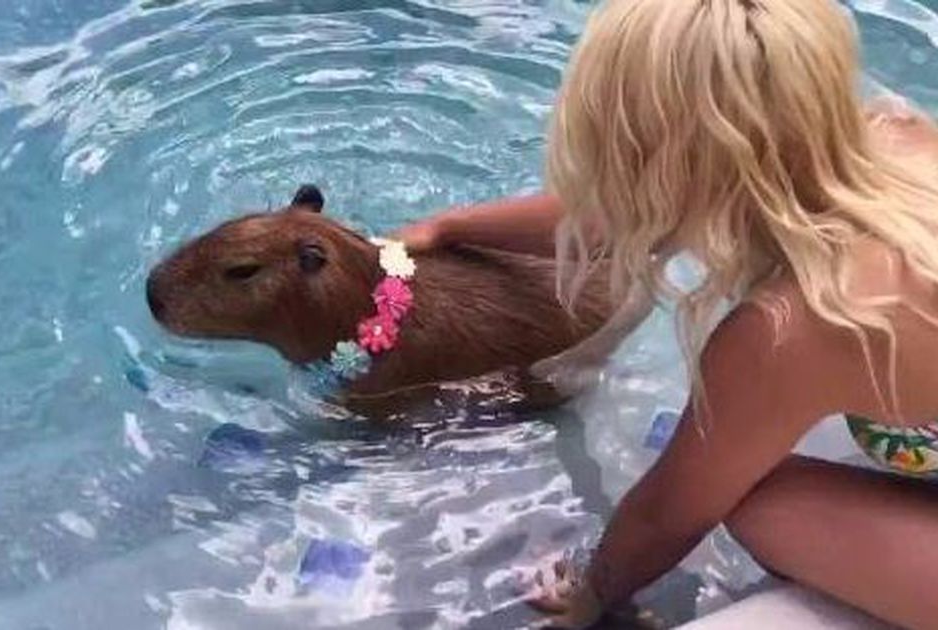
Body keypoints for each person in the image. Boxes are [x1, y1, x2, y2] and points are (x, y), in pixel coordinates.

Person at [395, 0, 938, 628]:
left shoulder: (795, 326)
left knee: (763, 503)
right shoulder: (896, 138)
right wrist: (449, 228)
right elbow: (616, 214)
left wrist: (594, 593)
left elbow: (671, 512)